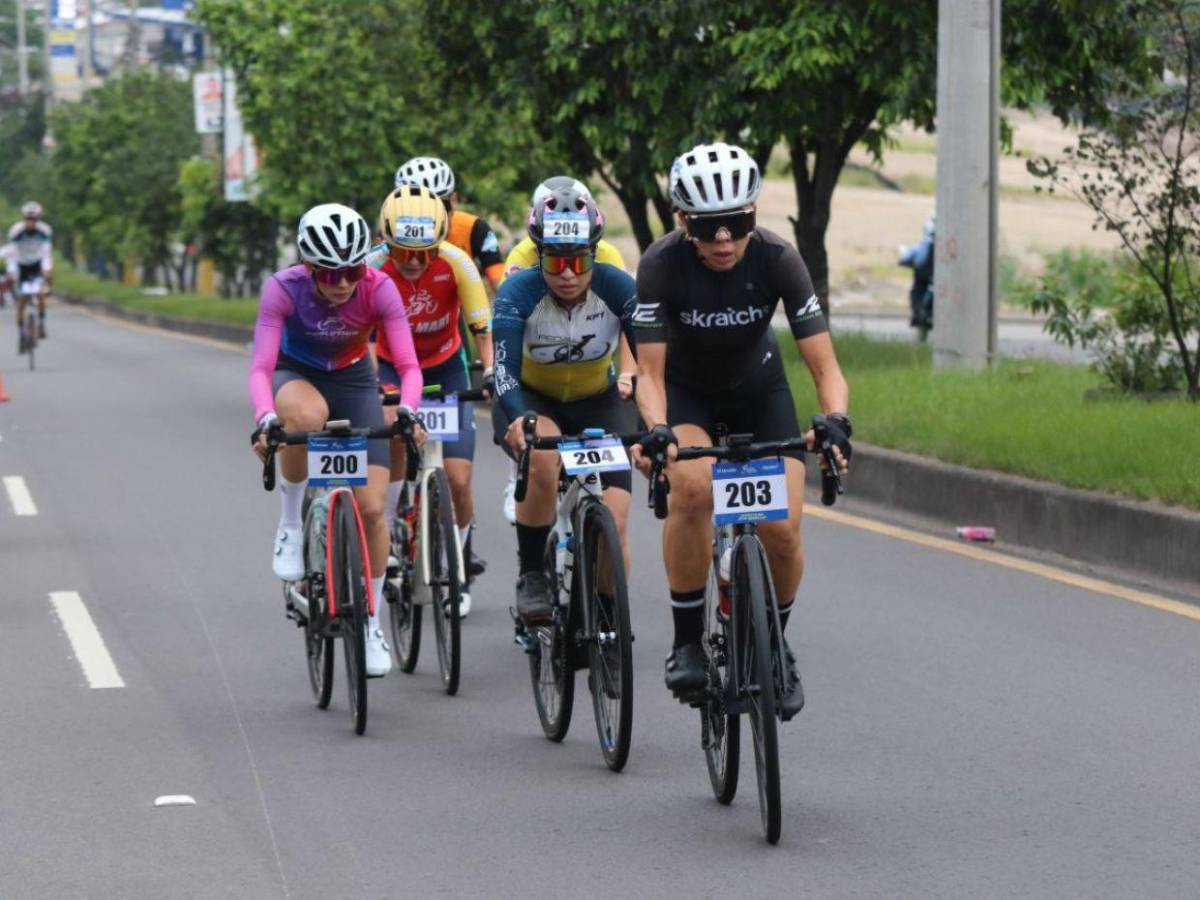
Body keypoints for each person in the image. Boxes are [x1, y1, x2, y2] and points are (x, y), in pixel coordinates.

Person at [630, 141, 852, 720]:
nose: (725, 239)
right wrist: (656, 429)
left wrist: (835, 422)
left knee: (782, 531)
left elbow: (825, 367)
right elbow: (649, 372)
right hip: (687, 393)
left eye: (737, 222)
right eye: (708, 227)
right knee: (695, 490)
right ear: (683, 222)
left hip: (760, 390)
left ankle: (775, 646)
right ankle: (686, 642)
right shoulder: (659, 264)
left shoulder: (778, 257)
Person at [249, 203, 423, 678]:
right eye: (329, 274)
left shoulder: (379, 287)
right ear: (308, 267)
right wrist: (265, 417)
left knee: (371, 509)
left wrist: (408, 409)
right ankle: (290, 522)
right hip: (296, 373)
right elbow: (262, 368)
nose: (342, 282)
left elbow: (407, 366)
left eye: (350, 270)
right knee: (306, 417)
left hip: (353, 380)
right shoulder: (283, 289)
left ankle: (369, 622)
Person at [491, 184, 638, 624]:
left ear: (595, 251)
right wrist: (518, 417)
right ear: (539, 255)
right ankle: (533, 572)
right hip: (536, 398)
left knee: (616, 523)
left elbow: (647, 357)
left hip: (599, 398)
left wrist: (652, 420)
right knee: (540, 455)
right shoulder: (518, 289)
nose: (569, 274)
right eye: (556, 261)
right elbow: (503, 371)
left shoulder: (616, 281)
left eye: (580, 260)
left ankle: (609, 612)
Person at [375, 184, 494, 615]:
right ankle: (387, 532)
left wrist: (493, 373)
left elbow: (483, 331)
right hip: (389, 367)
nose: (411, 262)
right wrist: (375, 385)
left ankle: (456, 564)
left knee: (459, 479)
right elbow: (361, 337)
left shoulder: (456, 262)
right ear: (385, 243)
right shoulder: (373, 268)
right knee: (392, 437)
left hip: (444, 369)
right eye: (401, 252)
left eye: (423, 253)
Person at [393, 157, 506, 291]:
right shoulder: (391, 231)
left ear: (453, 200)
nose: (429, 219)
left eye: (437, 208)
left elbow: (500, 284)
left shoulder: (475, 229)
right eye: (416, 209)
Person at [7, 201, 53, 340]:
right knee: (22, 301)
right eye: (28, 219)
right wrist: (12, 271)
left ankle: (41, 324)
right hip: (21, 265)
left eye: (33, 220)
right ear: (24, 218)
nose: (30, 223)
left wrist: (47, 269)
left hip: (37, 264)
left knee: (40, 295)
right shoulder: (16, 231)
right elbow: (12, 253)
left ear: (38, 219)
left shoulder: (45, 230)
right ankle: (21, 331)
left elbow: (46, 252)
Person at [899, 212, 936, 336]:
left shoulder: (922, 246)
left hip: (925, 282)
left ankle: (918, 315)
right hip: (932, 282)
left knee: (916, 293)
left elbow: (905, 259)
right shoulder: (945, 248)